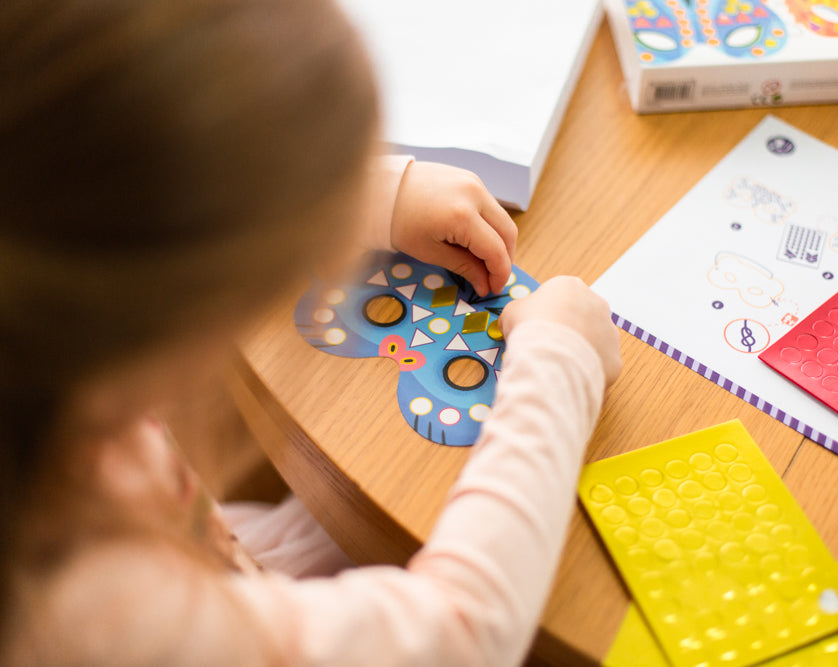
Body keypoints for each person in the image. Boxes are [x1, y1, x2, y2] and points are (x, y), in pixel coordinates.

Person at [0, 0, 622, 664]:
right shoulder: (104, 617)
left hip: (229, 562)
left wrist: (372, 196)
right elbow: (459, 631)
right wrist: (559, 365)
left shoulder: (44, 280)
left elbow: (122, 153)